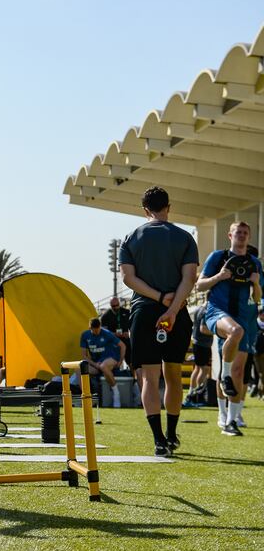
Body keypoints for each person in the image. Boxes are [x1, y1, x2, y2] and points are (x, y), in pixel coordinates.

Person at [118, 186, 198, 457]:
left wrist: (159, 297)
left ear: (145, 210)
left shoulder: (132, 237)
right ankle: (173, 433)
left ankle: (159, 440)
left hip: (143, 312)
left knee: (150, 379)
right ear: (168, 207)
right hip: (178, 312)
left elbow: (128, 279)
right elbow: (189, 279)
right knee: (173, 375)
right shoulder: (185, 237)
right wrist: (173, 309)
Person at [196, 222, 262, 436]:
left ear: (249, 236)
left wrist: (257, 284)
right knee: (235, 334)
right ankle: (221, 412)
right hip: (218, 312)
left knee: (239, 373)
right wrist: (220, 277)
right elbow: (200, 285)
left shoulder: (254, 263)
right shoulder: (218, 257)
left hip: (242, 317)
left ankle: (230, 422)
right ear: (230, 235)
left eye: (245, 233)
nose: (242, 236)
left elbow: (258, 298)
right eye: (238, 233)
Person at [79, 318, 126, 407]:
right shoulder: (85, 335)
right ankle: (86, 397)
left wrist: (120, 360)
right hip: (97, 363)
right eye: (94, 330)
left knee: (104, 366)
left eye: (98, 329)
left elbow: (123, 345)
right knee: (79, 369)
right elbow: (84, 356)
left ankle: (116, 393)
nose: (97, 332)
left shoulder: (107, 333)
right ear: (90, 328)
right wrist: (94, 364)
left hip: (111, 358)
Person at [183, 303, 212, 408]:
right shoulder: (206, 310)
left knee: (198, 369)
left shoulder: (199, 308)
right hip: (202, 343)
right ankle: (196, 395)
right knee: (203, 369)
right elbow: (203, 329)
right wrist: (217, 331)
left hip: (198, 342)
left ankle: (192, 393)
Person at [100, 297, 131, 367]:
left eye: (117, 305)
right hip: (113, 342)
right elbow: (103, 332)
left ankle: (134, 377)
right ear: (110, 306)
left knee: (131, 361)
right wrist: (116, 334)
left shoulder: (126, 312)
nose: (116, 307)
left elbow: (132, 326)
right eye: (113, 306)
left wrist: (128, 333)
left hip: (126, 340)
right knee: (114, 362)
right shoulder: (105, 316)